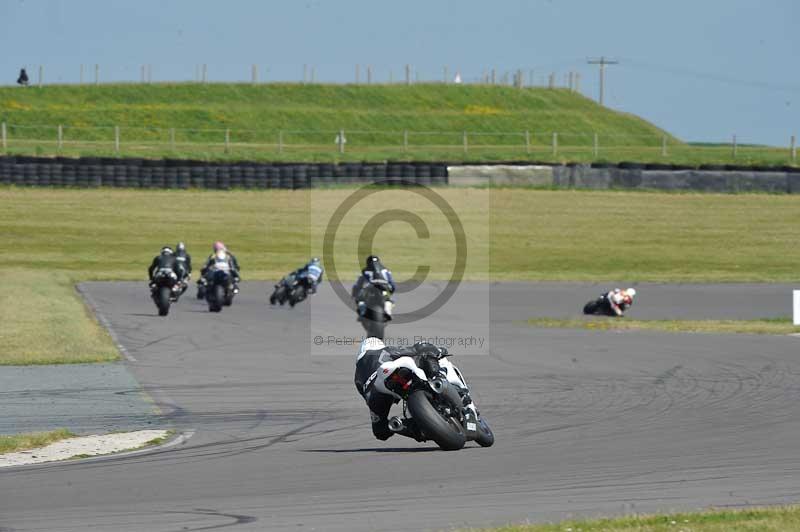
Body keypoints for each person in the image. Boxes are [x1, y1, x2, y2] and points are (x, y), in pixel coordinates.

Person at [354, 337, 448, 441]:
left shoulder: (357, 376)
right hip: (389, 376)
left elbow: (365, 396)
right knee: (423, 348)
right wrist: (437, 351)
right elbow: (415, 349)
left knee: (380, 430)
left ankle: (401, 425)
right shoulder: (383, 350)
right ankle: (437, 378)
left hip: (377, 394)